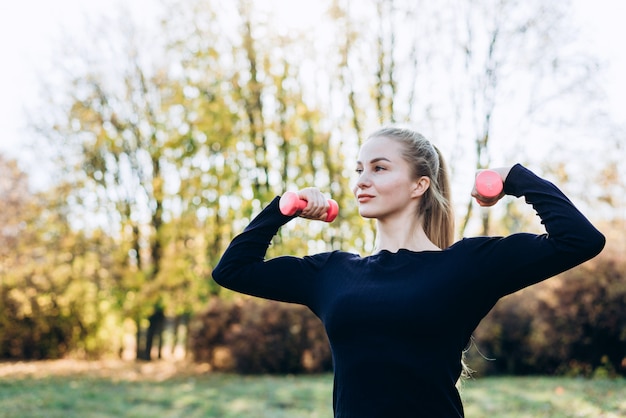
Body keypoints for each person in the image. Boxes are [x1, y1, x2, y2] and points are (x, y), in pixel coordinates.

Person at [212, 126, 605, 417]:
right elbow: (233, 270)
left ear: (420, 185)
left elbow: (579, 240)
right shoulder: (332, 272)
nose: (362, 180)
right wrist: (281, 209)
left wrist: (513, 177)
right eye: (359, 169)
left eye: (379, 168)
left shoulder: (468, 265)